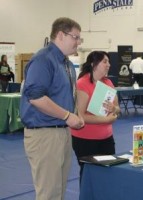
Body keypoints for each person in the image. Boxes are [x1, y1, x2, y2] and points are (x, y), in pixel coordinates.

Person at [20, 17, 85, 200]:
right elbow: (36, 97)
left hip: (62, 132)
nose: (78, 42)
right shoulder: (43, 60)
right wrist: (67, 116)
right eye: (75, 37)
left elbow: (69, 94)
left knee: (59, 191)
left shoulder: (67, 64)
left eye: (80, 38)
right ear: (60, 35)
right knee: (48, 194)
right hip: (44, 135)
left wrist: (76, 114)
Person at [70, 51, 120, 184]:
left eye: (108, 62)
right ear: (93, 64)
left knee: (107, 174)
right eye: (105, 61)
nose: (108, 65)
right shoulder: (83, 83)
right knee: (89, 175)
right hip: (85, 140)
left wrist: (113, 109)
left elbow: (117, 109)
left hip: (106, 139)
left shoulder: (108, 82)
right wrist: (106, 120)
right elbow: (80, 116)